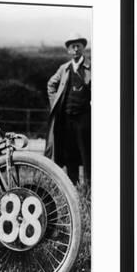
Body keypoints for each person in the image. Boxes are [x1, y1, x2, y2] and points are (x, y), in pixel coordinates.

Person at [45, 34, 91, 185]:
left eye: (78, 46)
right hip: (67, 119)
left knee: (87, 154)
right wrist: (56, 104)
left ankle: (89, 191)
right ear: (68, 50)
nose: (76, 49)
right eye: (72, 47)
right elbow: (51, 85)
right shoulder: (64, 69)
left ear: (83, 48)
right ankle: (73, 189)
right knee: (70, 154)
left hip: (85, 119)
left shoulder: (91, 68)